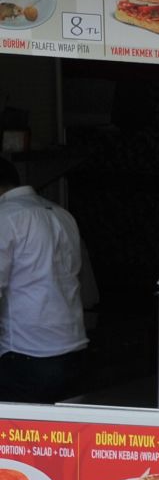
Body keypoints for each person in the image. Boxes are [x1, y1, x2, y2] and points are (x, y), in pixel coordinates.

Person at [0, 160, 88, 403]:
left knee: (18, 437)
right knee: (63, 436)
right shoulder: (62, 214)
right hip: (74, 348)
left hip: (27, 353)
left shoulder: (5, 218)